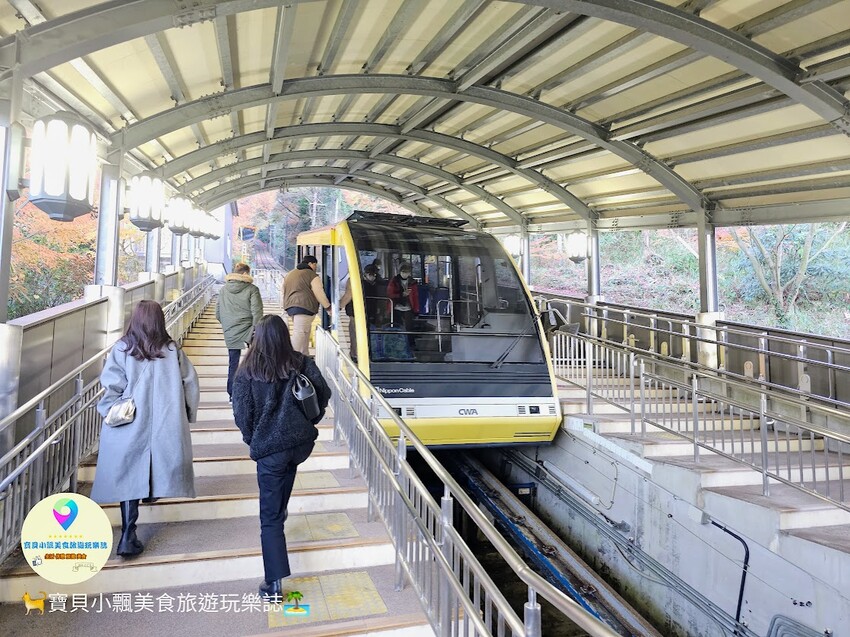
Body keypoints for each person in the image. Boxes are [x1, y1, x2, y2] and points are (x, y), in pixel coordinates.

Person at [231, 315, 331, 602]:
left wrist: (255, 440)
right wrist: (309, 421)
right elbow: (323, 394)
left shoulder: (247, 371)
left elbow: (242, 415)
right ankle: (281, 509)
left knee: (270, 519)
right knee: (283, 481)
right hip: (297, 445)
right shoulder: (300, 362)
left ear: (257, 338)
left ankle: (273, 584)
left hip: (271, 450)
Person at [91, 300, 200, 557]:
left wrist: (108, 410)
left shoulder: (122, 348)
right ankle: (148, 499)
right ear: (159, 321)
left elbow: (111, 386)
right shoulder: (172, 349)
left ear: (136, 319)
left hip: (129, 423)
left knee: (130, 473)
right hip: (165, 420)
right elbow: (190, 383)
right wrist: (186, 415)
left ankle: (128, 535)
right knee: (158, 461)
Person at [216, 262, 263, 401]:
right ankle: (256, 391)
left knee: (233, 362)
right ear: (245, 273)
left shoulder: (224, 290)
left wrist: (228, 324)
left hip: (230, 330)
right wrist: (256, 328)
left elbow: (217, 313)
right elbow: (257, 312)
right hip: (249, 329)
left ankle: (232, 394)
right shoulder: (252, 289)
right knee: (256, 359)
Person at [282, 255, 331, 355]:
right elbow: (319, 293)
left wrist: (283, 306)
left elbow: (283, 291)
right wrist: (328, 307)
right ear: (310, 264)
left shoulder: (290, 274)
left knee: (305, 333)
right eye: (315, 265)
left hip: (291, 307)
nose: (315, 267)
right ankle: (291, 358)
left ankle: (304, 356)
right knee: (300, 333)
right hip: (304, 307)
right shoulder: (312, 275)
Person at [339, 263, 379, 360]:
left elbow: (348, 295)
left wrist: (338, 307)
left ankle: (356, 354)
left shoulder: (353, 280)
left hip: (356, 312)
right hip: (369, 313)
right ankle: (365, 354)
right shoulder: (377, 283)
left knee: (355, 333)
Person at [387, 261, 419, 336]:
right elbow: (390, 294)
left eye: (407, 272)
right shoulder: (394, 281)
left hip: (408, 308)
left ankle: (409, 344)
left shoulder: (412, 282)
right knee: (397, 327)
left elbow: (415, 297)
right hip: (396, 308)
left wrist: (416, 310)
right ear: (400, 272)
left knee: (409, 328)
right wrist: (401, 294)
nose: (405, 274)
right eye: (403, 272)